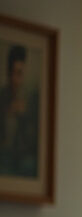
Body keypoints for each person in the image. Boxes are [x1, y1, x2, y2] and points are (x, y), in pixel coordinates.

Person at [0, 44, 40, 178]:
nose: (15, 79)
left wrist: (24, 115)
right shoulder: (3, 96)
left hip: (24, 156)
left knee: (28, 165)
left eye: (19, 73)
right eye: (12, 73)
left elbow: (35, 141)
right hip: (5, 154)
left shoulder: (32, 98)